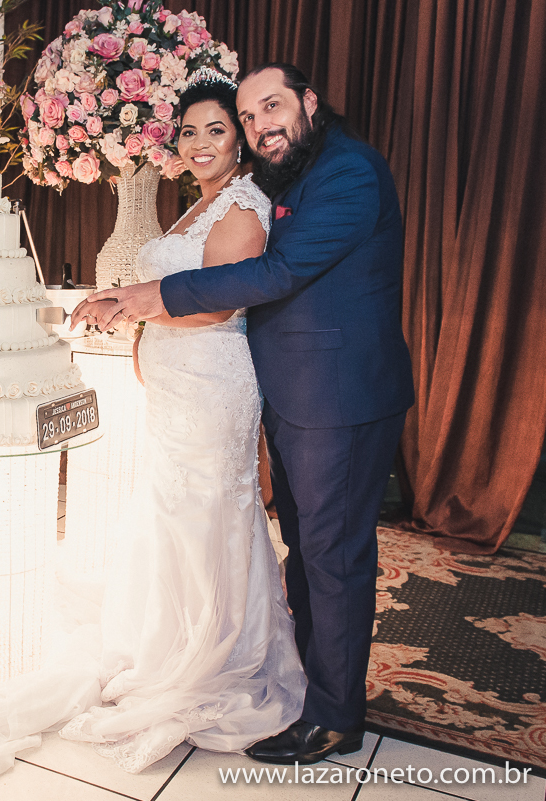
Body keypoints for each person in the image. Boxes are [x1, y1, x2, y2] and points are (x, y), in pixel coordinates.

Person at [73, 63, 415, 765]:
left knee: (335, 558)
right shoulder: (294, 175)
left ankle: (335, 716)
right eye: (251, 116)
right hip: (293, 395)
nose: (262, 126)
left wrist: (142, 296)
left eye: (271, 108)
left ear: (309, 102)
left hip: (340, 397)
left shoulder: (349, 172)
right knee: (307, 553)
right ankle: (313, 686)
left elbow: (273, 276)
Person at [58, 71, 307, 773]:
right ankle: (166, 641)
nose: (199, 144)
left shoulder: (242, 207)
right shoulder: (192, 209)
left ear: (242, 141)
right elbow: (171, 293)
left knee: (207, 515)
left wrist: (134, 307)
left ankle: (218, 657)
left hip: (213, 387)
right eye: (189, 131)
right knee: (172, 511)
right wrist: (122, 310)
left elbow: (215, 306)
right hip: (175, 389)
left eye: (216, 130)